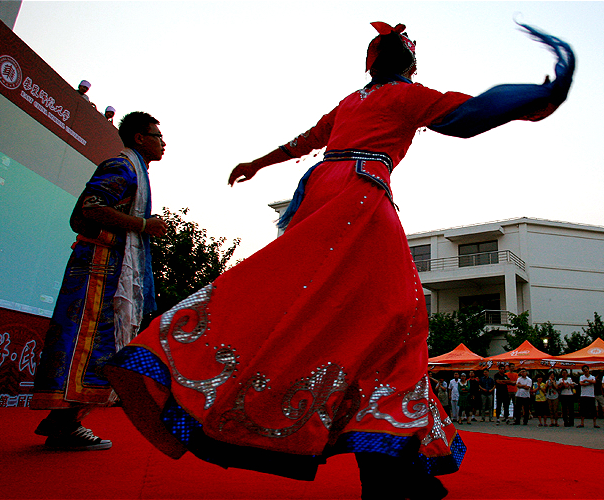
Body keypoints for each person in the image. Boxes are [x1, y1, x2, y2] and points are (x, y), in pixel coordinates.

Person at [102, 21, 573, 496]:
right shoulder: (405, 96)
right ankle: (392, 460)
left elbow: (304, 141)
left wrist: (257, 163)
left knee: (314, 307)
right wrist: (542, 94)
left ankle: (388, 455)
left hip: (323, 194)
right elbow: (468, 115)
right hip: (358, 197)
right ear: (409, 64)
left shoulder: (353, 101)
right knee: (399, 317)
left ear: (371, 62)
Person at [30, 111, 167, 450]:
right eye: (157, 136)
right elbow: (89, 210)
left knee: (101, 345)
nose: (163, 143)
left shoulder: (134, 171)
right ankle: (64, 422)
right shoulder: (121, 167)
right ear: (139, 138)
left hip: (108, 269)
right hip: (99, 270)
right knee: (90, 343)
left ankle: (65, 420)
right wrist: (142, 226)